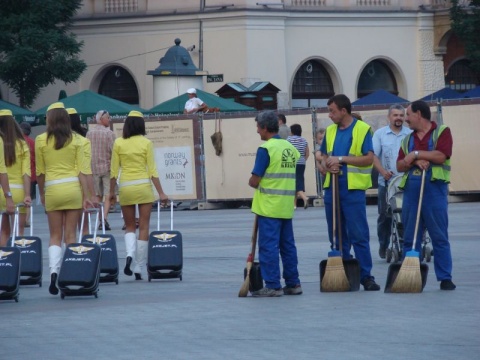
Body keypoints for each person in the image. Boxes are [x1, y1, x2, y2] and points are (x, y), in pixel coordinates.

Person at [319, 94, 380, 291]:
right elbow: (324, 156)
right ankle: (343, 271)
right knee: (335, 233)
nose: (329, 115)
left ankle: (366, 276)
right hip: (332, 188)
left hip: (352, 189)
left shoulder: (362, 129)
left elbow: (368, 159)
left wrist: (341, 159)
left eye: (332, 111)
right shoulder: (330, 131)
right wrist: (327, 165)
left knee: (358, 233)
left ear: (344, 111)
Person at [36, 102, 97, 295]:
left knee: (55, 235)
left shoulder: (40, 140)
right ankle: (70, 274)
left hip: (53, 189)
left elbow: (40, 172)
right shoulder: (78, 140)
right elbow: (83, 171)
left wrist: (42, 195)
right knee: (71, 235)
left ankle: (53, 272)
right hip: (72, 190)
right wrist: (88, 196)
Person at [396, 100, 455, 290]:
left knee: (439, 236)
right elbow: (399, 164)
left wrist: (416, 154)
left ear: (419, 115)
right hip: (412, 191)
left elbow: (442, 155)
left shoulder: (442, 131)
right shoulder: (407, 139)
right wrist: (414, 161)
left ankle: (445, 278)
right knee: (410, 237)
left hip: (434, 190)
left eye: (408, 115)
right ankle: (411, 277)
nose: (406, 119)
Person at [109, 111, 169, 280]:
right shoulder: (146, 143)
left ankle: (129, 254)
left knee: (129, 226)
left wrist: (111, 194)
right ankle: (138, 266)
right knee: (144, 226)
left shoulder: (119, 143)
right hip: (143, 187)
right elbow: (152, 171)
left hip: (126, 188)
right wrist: (161, 192)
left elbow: (113, 172)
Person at [248, 110, 302, 297]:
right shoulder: (289, 147)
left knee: (268, 246)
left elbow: (255, 180)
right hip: (286, 205)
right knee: (287, 246)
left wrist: (252, 182)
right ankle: (293, 283)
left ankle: (272, 285)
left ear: (264, 127)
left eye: (257, 127)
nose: (257, 131)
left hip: (269, 206)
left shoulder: (266, 149)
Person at [372, 104, 412, 258]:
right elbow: (373, 156)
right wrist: (382, 171)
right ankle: (383, 244)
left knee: (405, 215)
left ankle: (404, 246)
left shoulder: (409, 134)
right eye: (395, 115)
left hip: (406, 183)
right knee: (385, 216)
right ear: (389, 117)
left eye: (401, 115)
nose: (398, 118)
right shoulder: (380, 134)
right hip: (387, 184)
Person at [0, 110, 31, 246]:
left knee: (4, 232)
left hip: (2, 191)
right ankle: (18, 263)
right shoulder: (22, 144)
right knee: (19, 232)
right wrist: (28, 194)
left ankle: (3, 261)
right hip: (18, 191)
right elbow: (26, 172)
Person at [68, 108, 95, 236]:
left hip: (61, 187)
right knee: (84, 226)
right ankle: (85, 253)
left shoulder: (52, 141)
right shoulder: (83, 141)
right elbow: (86, 169)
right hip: (80, 187)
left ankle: (67, 255)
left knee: (66, 229)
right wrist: (91, 194)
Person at [87, 109, 116, 230]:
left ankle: (100, 218)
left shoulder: (89, 133)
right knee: (108, 195)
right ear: (101, 119)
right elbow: (114, 151)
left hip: (93, 168)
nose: (109, 120)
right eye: (108, 118)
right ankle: (104, 218)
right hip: (107, 167)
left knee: (98, 195)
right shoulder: (109, 133)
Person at [287, 123, 310, 209]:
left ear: (292, 131)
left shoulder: (289, 139)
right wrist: (303, 160)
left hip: (292, 164)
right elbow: (307, 153)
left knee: (294, 183)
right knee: (299, 180)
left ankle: (304, 198)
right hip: (302, 163)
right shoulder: (304, 140)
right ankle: (294, 204)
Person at [20, 122, 36, 228]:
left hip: (19, 175)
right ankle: (26, 220)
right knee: (28, 198)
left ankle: (20, 219)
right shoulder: (32, 142)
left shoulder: (16, 142)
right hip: (32, 175)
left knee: (20, 198)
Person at [314, 128, 326, 196]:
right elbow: (318, 157)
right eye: (320, 139)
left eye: (324, 139)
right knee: (323, 182)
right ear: (316, 140)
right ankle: (323, 193)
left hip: (327, 168)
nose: (322, 141)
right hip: (322, 169)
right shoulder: (318, 147)